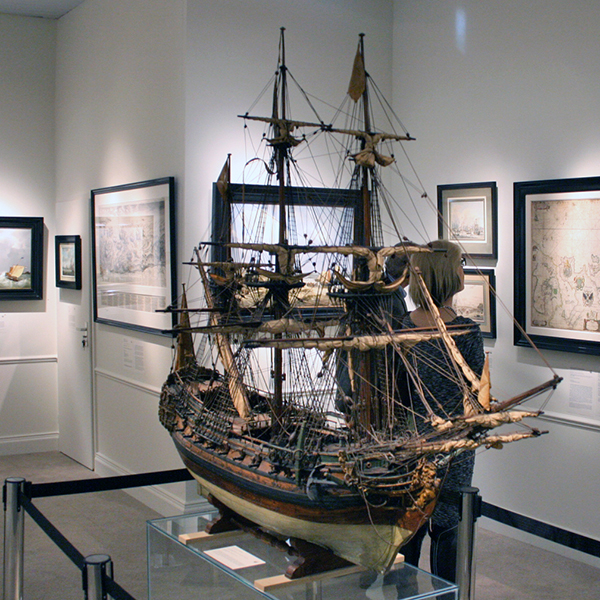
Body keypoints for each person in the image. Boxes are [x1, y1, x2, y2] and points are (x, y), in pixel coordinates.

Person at [400, 239, 485, 583]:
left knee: (410, 524)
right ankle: (446, 593)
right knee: (447, 524)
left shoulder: (401, 326)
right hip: (453, 445)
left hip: (410, 440)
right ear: (447, 273)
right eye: (460, 264)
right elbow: (476, 393)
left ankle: (405, 591)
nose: (463, 270)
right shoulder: (465, 331)